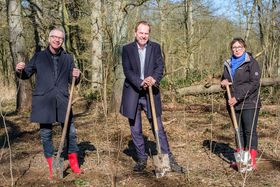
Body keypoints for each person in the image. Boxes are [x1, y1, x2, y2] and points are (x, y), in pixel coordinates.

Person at [16, 27, 81, 179]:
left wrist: (76, 76)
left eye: (60, 38)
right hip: (43, 101)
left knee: (71, 132)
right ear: (49, 38)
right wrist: (20, 69)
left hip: (63, 100)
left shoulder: (68, 58)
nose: (57, 40)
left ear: (62, 41)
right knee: (46, 134)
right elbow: (26, 74)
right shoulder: (39, 56)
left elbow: (73, 80)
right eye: (54, 37)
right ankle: (52, 165)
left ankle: (74, 163)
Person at [120, 20, 185, 173]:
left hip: (151, 93)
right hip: (133, 92)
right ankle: (142, 158)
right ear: (135, 33)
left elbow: (159, 66)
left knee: (158, 127)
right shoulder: (127, 49)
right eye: (141, 32)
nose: (143, 36)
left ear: (149, 34)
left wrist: (153, 79)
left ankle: (167, 158)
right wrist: (140, 82)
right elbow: (127, 71)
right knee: (135, 130)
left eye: (146, 33)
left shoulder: (155, 47)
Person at [221, 37, 261, 170]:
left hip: (249, 102)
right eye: (234, 47)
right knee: (238, 131)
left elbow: (254, 83)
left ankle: (251, 160)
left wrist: (237, 97)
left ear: (244, 48)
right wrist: (223, 82)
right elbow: (225, 79)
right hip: (233, 103)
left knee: (249, 131)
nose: (236, 50)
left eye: (239, 47)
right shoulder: (228, 63)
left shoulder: (251, 63)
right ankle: (241, 160)